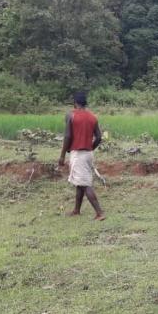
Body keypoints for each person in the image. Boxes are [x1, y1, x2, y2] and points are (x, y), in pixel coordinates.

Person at [58, 92, 105, 221]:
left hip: (78, 154)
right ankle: (76, 210)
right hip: (89, 153)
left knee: (84, 184)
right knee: (80, 182)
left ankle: (100, 213)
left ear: (75, 103)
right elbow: (99, 137)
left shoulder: (71, 115)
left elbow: (67, 136)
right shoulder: (92, 117)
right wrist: (90, 147)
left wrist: (62, 155)